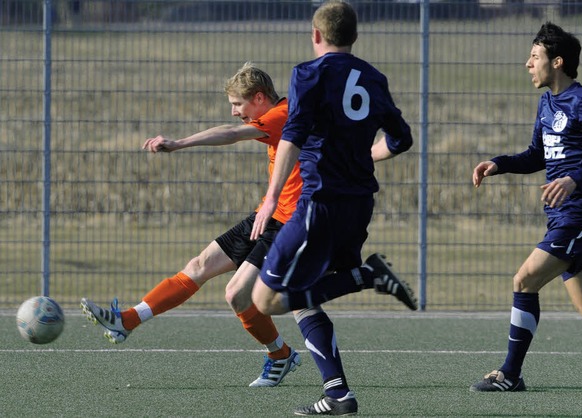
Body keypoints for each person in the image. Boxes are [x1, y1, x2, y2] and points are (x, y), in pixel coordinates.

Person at [80, 63, 304, 387]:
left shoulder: (280, 115)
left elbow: (230, 134)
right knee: (198, 265)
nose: (233, 112)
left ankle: (280, 355)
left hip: (289, 224)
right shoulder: (275, 116)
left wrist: (179, 143)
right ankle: (126, 321)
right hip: (266, 216)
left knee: (236, 294)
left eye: (237, 104)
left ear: (258, 98)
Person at [249, 1, 415, 415]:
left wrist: (270, 198)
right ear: (354, 37)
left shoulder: (309, 73)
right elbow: (401, 139)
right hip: (358, 206)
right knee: (305, 298)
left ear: (316, 35)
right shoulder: (374, 78)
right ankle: (338, 394)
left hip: (318, 204)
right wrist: (363, 157)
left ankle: (366, 275)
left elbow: (294, 134)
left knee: (265, 298)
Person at [470, 22, 582, 392]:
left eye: (534, 57)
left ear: (557, 62)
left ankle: (509, 375)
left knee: (524, 280)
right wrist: (498, 163)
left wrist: (575, 179)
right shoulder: (546, 103)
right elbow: (536, 156)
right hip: (563, 217)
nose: (528, 64)